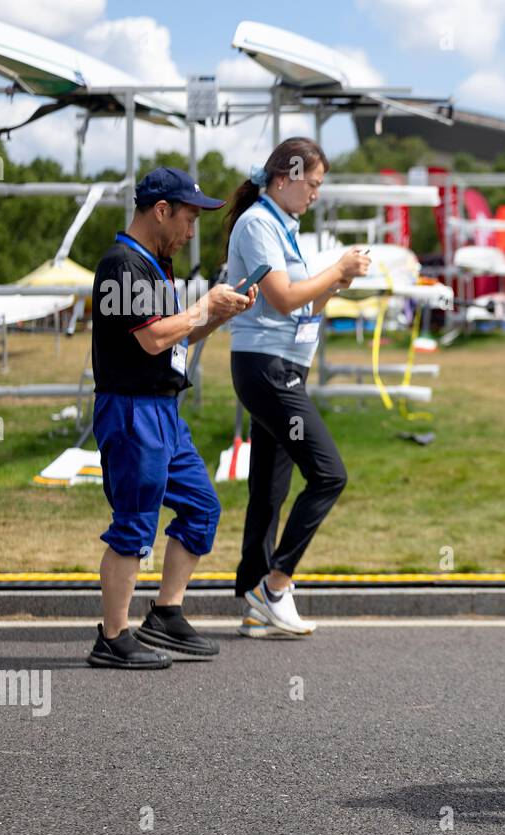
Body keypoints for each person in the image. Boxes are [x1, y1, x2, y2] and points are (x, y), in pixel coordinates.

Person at [88, 168, 256, 669]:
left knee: (202, 508)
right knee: (134, 526)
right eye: (188, 218)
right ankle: (112, 638)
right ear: (161, 211)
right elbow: (153, 338)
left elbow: (173, 338)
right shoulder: (123, 264)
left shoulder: (154, 265)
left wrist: (219, 314)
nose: (191, 231)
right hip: (132, 411)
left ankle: (164, 614)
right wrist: (204, 304)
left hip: (163, 409)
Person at [224, 138, 370, 637]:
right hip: (268, 368)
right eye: (313, 184)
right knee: (329, 475)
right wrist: (336, 270)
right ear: (284, 179)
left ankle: (251, 595)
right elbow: (284, 299)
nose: (315, 195)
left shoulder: (282, 225)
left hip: (280, 366)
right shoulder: (259, 224)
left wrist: (332, 285)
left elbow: (305, 305)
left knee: (269, 487)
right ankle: (276, 585)